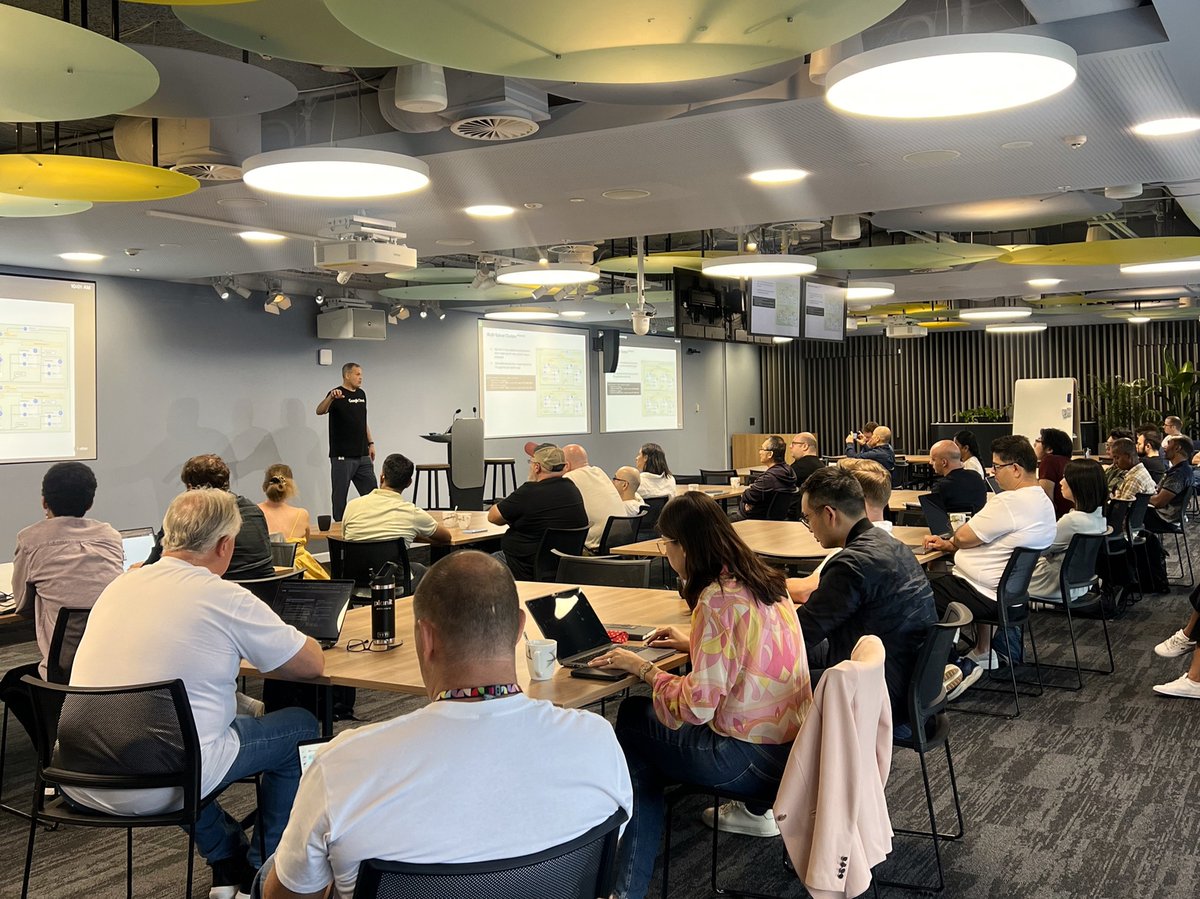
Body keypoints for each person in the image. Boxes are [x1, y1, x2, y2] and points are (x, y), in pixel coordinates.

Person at [260, 551, 632, 899]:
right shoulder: (597, 740)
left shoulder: (341, 766)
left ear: (426, 638)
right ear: (519, 627)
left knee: (272, 870)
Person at [68, 489, 324, 898]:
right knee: (300, 727)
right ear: (226, 546)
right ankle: (266, 875)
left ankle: (228, 860)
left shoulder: (119, 586)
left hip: (79, 776)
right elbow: (310, 664)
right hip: (162, 782)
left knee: (184, 738)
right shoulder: (222, 596)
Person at [588, 492, 811, 897]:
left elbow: (695, 707)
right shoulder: (768, 582)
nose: (665, 553)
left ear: (684, 546)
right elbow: (750, 655)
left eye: (666, 544)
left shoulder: (717, 600)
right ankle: (624, 887)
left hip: (745, 760)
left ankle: (625, 884)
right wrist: (694, 644)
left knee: (633, 721)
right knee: (644, 749)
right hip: (792, 751)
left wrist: (642, 668)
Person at [795, 467, 937, 735]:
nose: (809, 528)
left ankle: (778, 771)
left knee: (772, 685)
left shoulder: (850, 564)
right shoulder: (891, 543)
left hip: (880, 691)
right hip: (912, 679)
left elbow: (800, 635)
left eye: (807, 518)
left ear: (829, 514)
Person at [922, 436, 1056, 697]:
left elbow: (962, 537)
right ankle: (981, 652)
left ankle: (948, 668)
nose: (992, 473)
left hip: (981, 592)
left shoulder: (1009, 502)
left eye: (997, 467)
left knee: (917, 595)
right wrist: (952, 546)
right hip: (1008, 595)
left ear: (1015, 468)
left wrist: (953, 543)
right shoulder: (1041, 501)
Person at [0, 463, 123, 738]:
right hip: (113, 665)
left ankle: (52, 750)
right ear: (90, 503)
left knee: (10, 682)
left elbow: (21, 604)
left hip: (64, 673)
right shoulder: (110, 536)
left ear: (44, 501)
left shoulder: (30, 539)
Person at [145, 454, 274, 580]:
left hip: (214, 592)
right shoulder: (254, 510)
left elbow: (158, 561)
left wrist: (142, 570)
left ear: (191, 487)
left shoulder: (187, 515)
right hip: (267, 591)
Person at [342, 453, 452, 588]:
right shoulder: (411, 512)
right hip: (394, 583)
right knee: (424, 571)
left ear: (382, 476)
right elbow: (446, 536)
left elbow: (346, 538)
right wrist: (416, 535)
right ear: (409, 483)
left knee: (415, 567)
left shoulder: (352, 505)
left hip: (354, 582)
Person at [488, 443, 587, 581]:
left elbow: (493, 517)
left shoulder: (529, 492)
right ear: (564, 467)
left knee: (476, 568)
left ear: (537, 467)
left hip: (522, 566)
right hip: (560, 567)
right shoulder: (572, 490)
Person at [1028, 459, 1108, 601]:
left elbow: (1040, 549)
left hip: (1054, 585)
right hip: (1080, 583)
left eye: (1065, 478)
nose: (1061, 482)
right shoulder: (1098, 517)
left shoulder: (1072, 521)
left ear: (1079, 485)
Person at [316, 362, 375, 522]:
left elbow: (363, 422)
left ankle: (375, 524)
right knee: (340, 495)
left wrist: (371, 443)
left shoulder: (361, 394)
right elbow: (320, 411)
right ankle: (339, 531)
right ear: (347, 375)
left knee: (373, 495)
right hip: (342, 456)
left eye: (361, 374)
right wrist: (330, 398)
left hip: (362, 455)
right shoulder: (336, 394)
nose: (360, 377)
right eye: (357, 374)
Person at [258, 463, 329, 581]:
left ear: (265, 486)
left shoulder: (254, 512)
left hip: (266, 575)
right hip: (301, 575)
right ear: (290, 486)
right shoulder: (301, 514)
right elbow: (306, 541)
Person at [562, 443, 628, 551]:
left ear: (567, 465)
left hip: (594, 548)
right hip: (621, 544)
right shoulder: (599, 472)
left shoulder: (569, 478)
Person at [737, 435, 797, 519]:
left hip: (756, 520)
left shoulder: (769, 478)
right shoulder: (789, 472)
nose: (759, 452)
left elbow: (748, 496)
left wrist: (749, 500)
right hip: (777, 520)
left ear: (770, 454)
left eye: (762, 449)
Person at [928, 439, 988, 514]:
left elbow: (934, 516)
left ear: (944, 462)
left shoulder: (941, 487)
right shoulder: (977, 477)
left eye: (933, 459)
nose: (930, 462)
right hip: (978, 523)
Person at [1036, 427, 1074, 519]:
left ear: (1049, 449)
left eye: (1038, 440)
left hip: (1059, 519)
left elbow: (1046, 500)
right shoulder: (1068, 462)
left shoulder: (1049, 461)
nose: (1034, 444)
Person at [1104, 428, 1137, 493]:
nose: (1107, 448)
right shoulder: (1113, 466)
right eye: (1107, 444)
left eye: (1111, 445)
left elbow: (1109, 491)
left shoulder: (1126, 470)